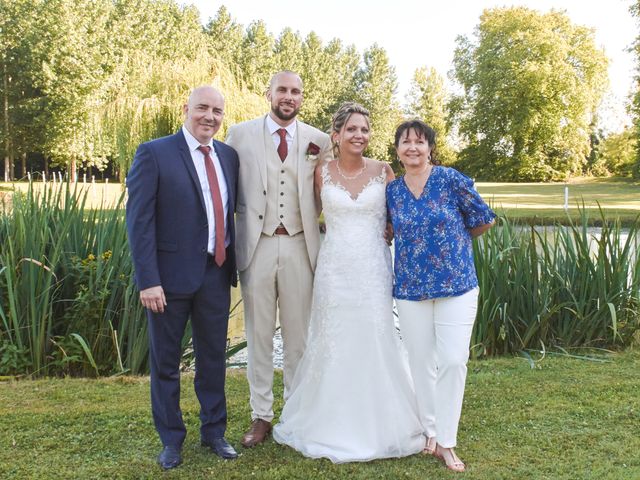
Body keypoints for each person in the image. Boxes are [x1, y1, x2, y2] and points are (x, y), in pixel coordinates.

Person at [272, 102, 426, 463]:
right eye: (352, 129)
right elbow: (307, 218)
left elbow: (399, 216)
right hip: (335, 269)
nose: (360, 135)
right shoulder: (321, 173)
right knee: (334, 338)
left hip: (372, 268)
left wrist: (390, 231)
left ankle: (383, 418)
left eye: (365, 130)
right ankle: (328, 419)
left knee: (375, 335)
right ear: (336, 135)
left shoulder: (384, 171)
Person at [126, 86, 239, 470]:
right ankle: (171, 440)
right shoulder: (154, 153)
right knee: (166, 361)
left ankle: (214, 432)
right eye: (203, 108)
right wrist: (148, 280)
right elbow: (139, 222)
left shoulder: (228, 156)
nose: (210, 116)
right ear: (186, 109)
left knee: (213, 359)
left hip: (215, 273)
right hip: (168, 279)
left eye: (217, 111)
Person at [225, 71, 332, 447]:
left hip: (302, 244)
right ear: (268, 93)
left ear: (302, 97)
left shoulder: (319, 141)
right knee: (257, 334)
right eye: (282, 90)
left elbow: (328, 192)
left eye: (296, 91)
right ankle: (261, 415)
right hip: (257, 243)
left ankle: (296, 412)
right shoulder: (238, 134)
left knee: (299, 335)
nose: (289, 96)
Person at [386, 119, 496, 473]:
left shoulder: (450, 180)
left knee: (451, 360)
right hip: (410, 289)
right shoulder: (393, 191)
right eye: (405, 142)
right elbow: (388, 230)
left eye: (419, 142)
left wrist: (455, 247)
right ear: (398, 150)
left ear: (430, 147)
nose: (412, 148)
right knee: (420, 362)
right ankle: (430, 433)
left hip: (457, 286)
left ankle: (447, 441)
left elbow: (483, 219)